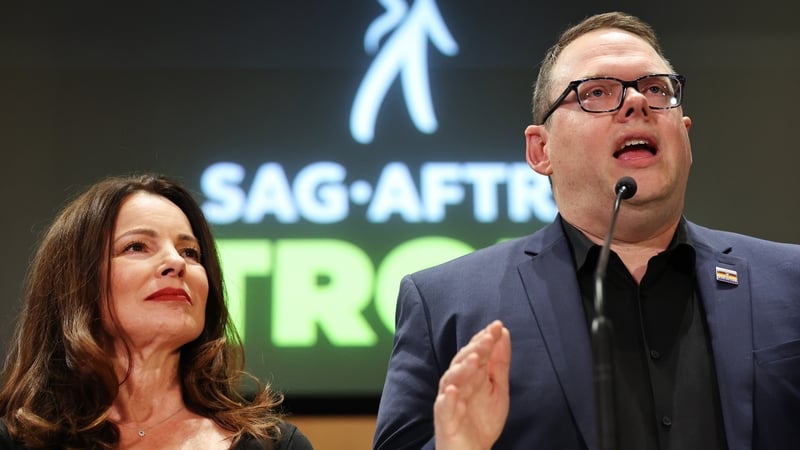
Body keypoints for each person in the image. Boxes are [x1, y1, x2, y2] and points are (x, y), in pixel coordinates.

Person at [374, 11, 800, 450]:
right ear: (541, 150)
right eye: (596, 92)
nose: (636, 103)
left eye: (656, 89)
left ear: (685, 137)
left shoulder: (791, 284)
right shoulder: (448, 305)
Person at [0, 174, 313, 449]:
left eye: (190, 252)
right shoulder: (13, 440)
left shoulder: (276, 445)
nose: (176, 263)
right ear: (76, 281)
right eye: (136, 246)